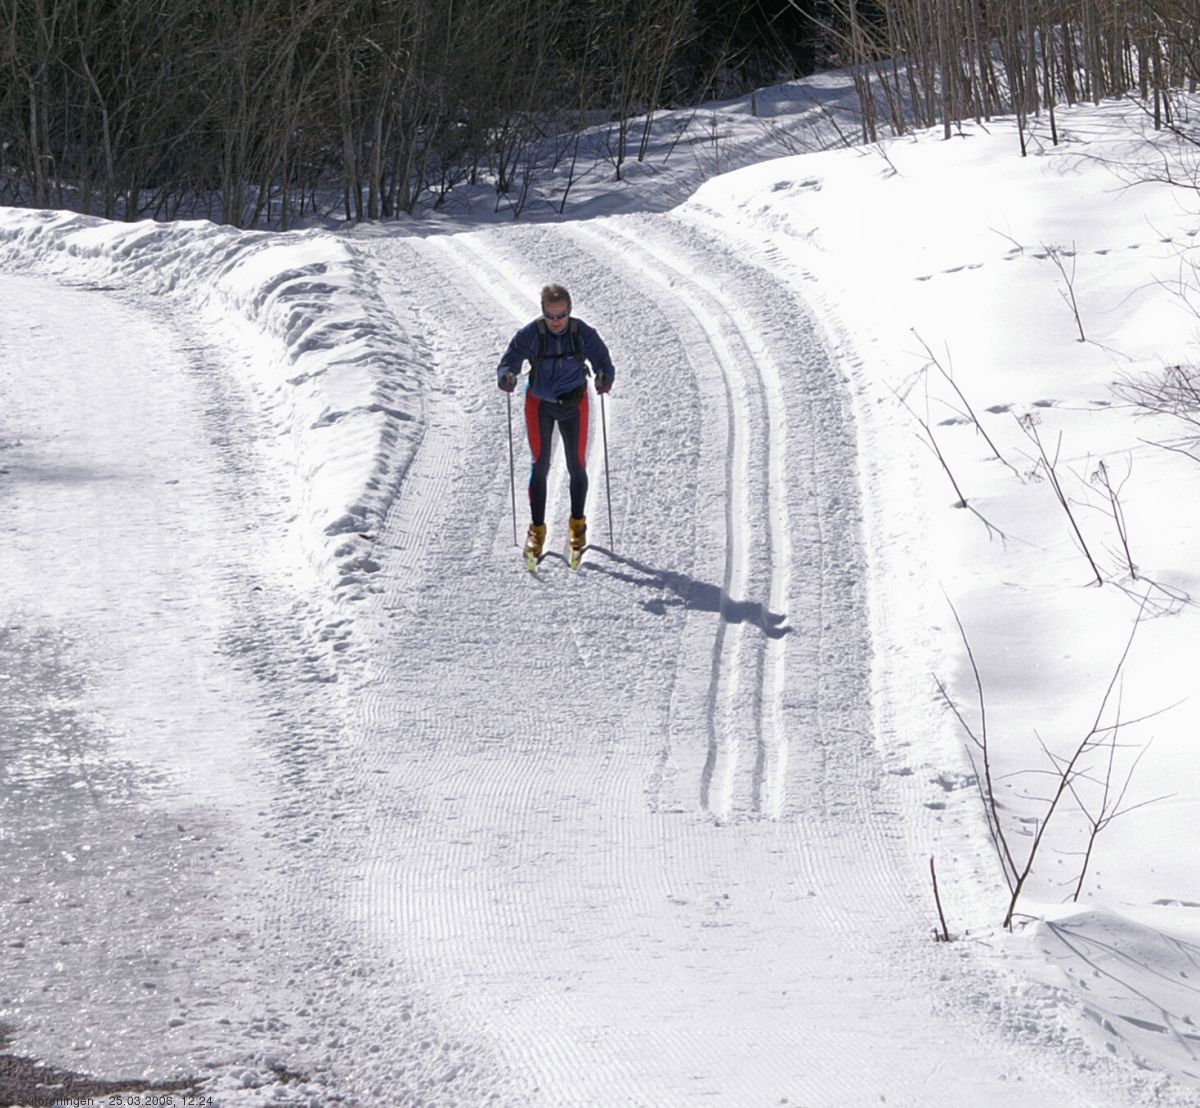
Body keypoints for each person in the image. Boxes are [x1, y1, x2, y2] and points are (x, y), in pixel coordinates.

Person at [497, 284, 615, 565]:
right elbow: (509, 361)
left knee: (577, 466)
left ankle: (578, 526)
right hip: (540, 405)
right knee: (540, 464)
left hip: (575, 405)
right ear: (543, 313)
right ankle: (536, 531)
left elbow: (604, 361)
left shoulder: (581, 333)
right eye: (551, 316)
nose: (556, 321)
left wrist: (604, 377)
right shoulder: (532, 334)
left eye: (561, 315)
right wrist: (507, 376)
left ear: (569, 311)